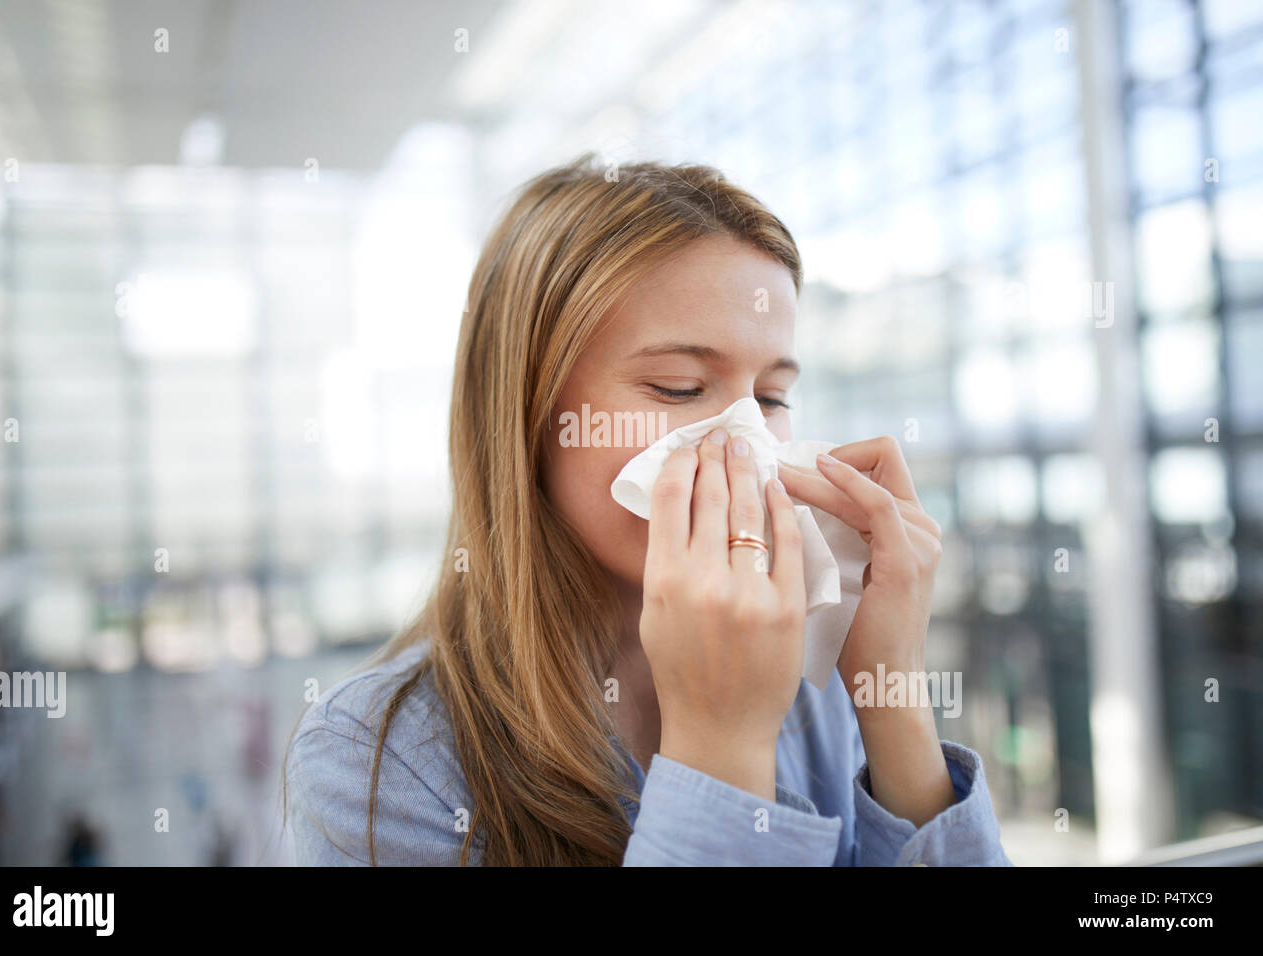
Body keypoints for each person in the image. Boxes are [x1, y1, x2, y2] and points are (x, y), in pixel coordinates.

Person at [282, 154, 1012, 866]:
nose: (745, 443)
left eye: (770, 397)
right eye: (677, 387)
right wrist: (721, 747)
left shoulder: (806, 677)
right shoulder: (377, 765)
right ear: (528, 417)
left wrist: (894, 699)